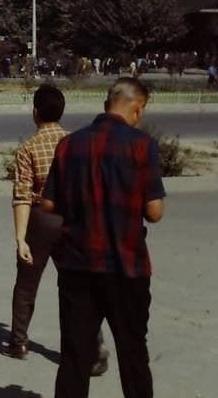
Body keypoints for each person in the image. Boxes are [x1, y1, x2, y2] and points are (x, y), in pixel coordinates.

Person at [42, 77, 165, 398]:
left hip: (77, 266)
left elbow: (49, 203)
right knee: (133, 353)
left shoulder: (69, 145)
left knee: (75, 356)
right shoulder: (141, 145)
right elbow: (154, 212)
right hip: (127, 266)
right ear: (138, 109)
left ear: (107, 103)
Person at [4, 85, 109, 375]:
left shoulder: (27, 148)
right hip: (73, 221)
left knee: (27, 283)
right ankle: (93, 347)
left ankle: (18, 342)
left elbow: (23, 195)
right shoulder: (76, 143)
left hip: (41, 219)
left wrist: (20, 238)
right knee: (77, 286)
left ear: (35, 113)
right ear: (62, 112)